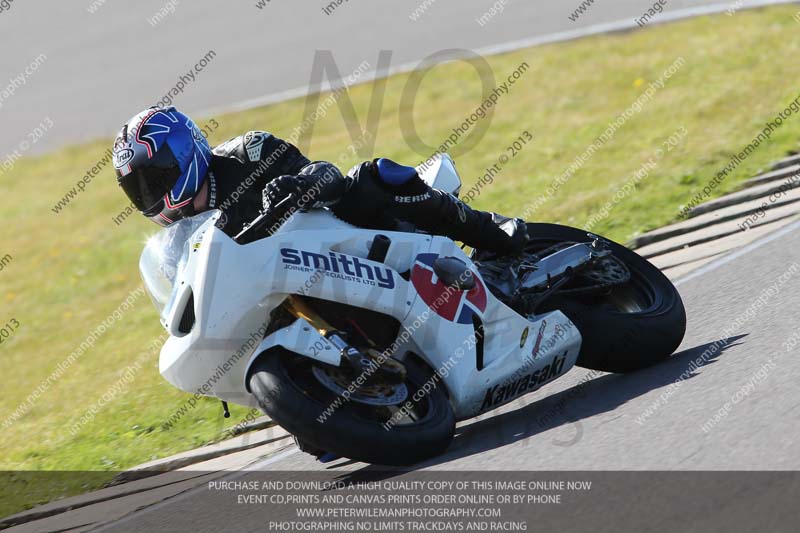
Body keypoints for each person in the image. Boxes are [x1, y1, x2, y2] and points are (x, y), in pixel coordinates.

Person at [113, 106, 527, 254]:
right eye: (140, 189)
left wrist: (298, 186)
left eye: (155, 177)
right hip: (287, 279)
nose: (151, 193)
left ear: (183, 151)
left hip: (347, 238)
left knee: (371, 177)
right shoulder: (182, 238)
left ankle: (498, 235)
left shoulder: (248, 152)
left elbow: (324, 173)